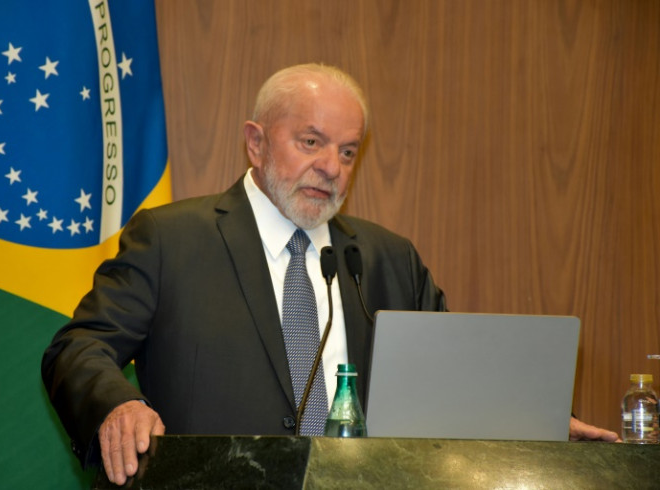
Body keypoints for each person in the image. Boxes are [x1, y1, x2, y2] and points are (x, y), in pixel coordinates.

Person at [41, 63, 618, 486]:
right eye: (311, 142)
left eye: (347, 151)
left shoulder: (387, 259)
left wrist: (527, 418)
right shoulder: (172, 238)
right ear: (256, 143)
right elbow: (78, 346)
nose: (330, 167)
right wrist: (117, 405)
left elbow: (449, 376)